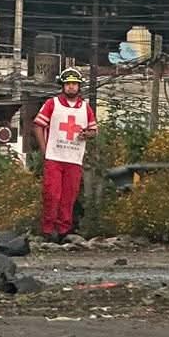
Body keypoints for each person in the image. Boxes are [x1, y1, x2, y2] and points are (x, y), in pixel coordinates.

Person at [33, 67, 96, 241]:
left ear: (79, 87)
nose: (71, 87)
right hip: (54, 157)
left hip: (74, 158)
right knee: (52, 194)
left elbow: (93, 130)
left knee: (69, 196)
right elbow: (38, 126)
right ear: (62, 86)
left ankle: (63, 231)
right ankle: (47, 230)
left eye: (74, 84)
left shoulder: (86, 107)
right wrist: (45, 150)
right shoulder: (52, 104)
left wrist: (86, 134)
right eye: (68, 84)